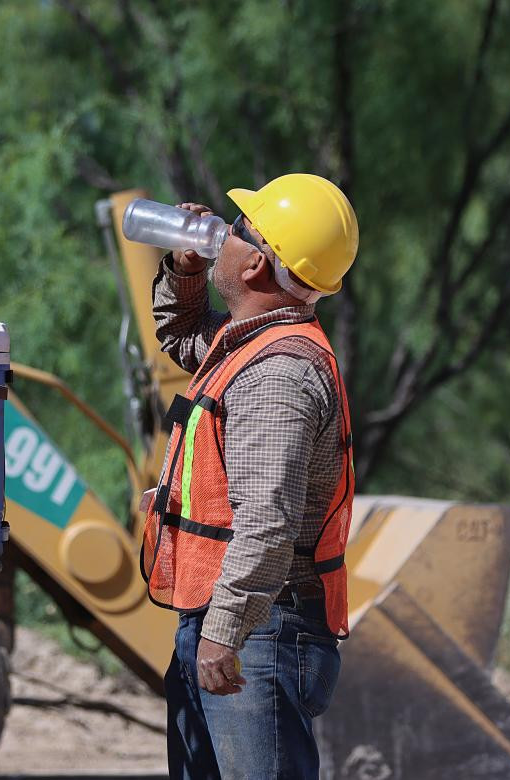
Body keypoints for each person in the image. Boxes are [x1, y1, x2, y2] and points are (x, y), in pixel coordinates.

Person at [139, 173, 359, 779]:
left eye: (235, 230)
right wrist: (184, 272)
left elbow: (267, 522)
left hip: (259, 631)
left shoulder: (278, 376)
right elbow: (184, 336)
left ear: (258, 266)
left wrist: (225, 632)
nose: (218, 235)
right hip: (238, 624)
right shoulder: (251, 343)